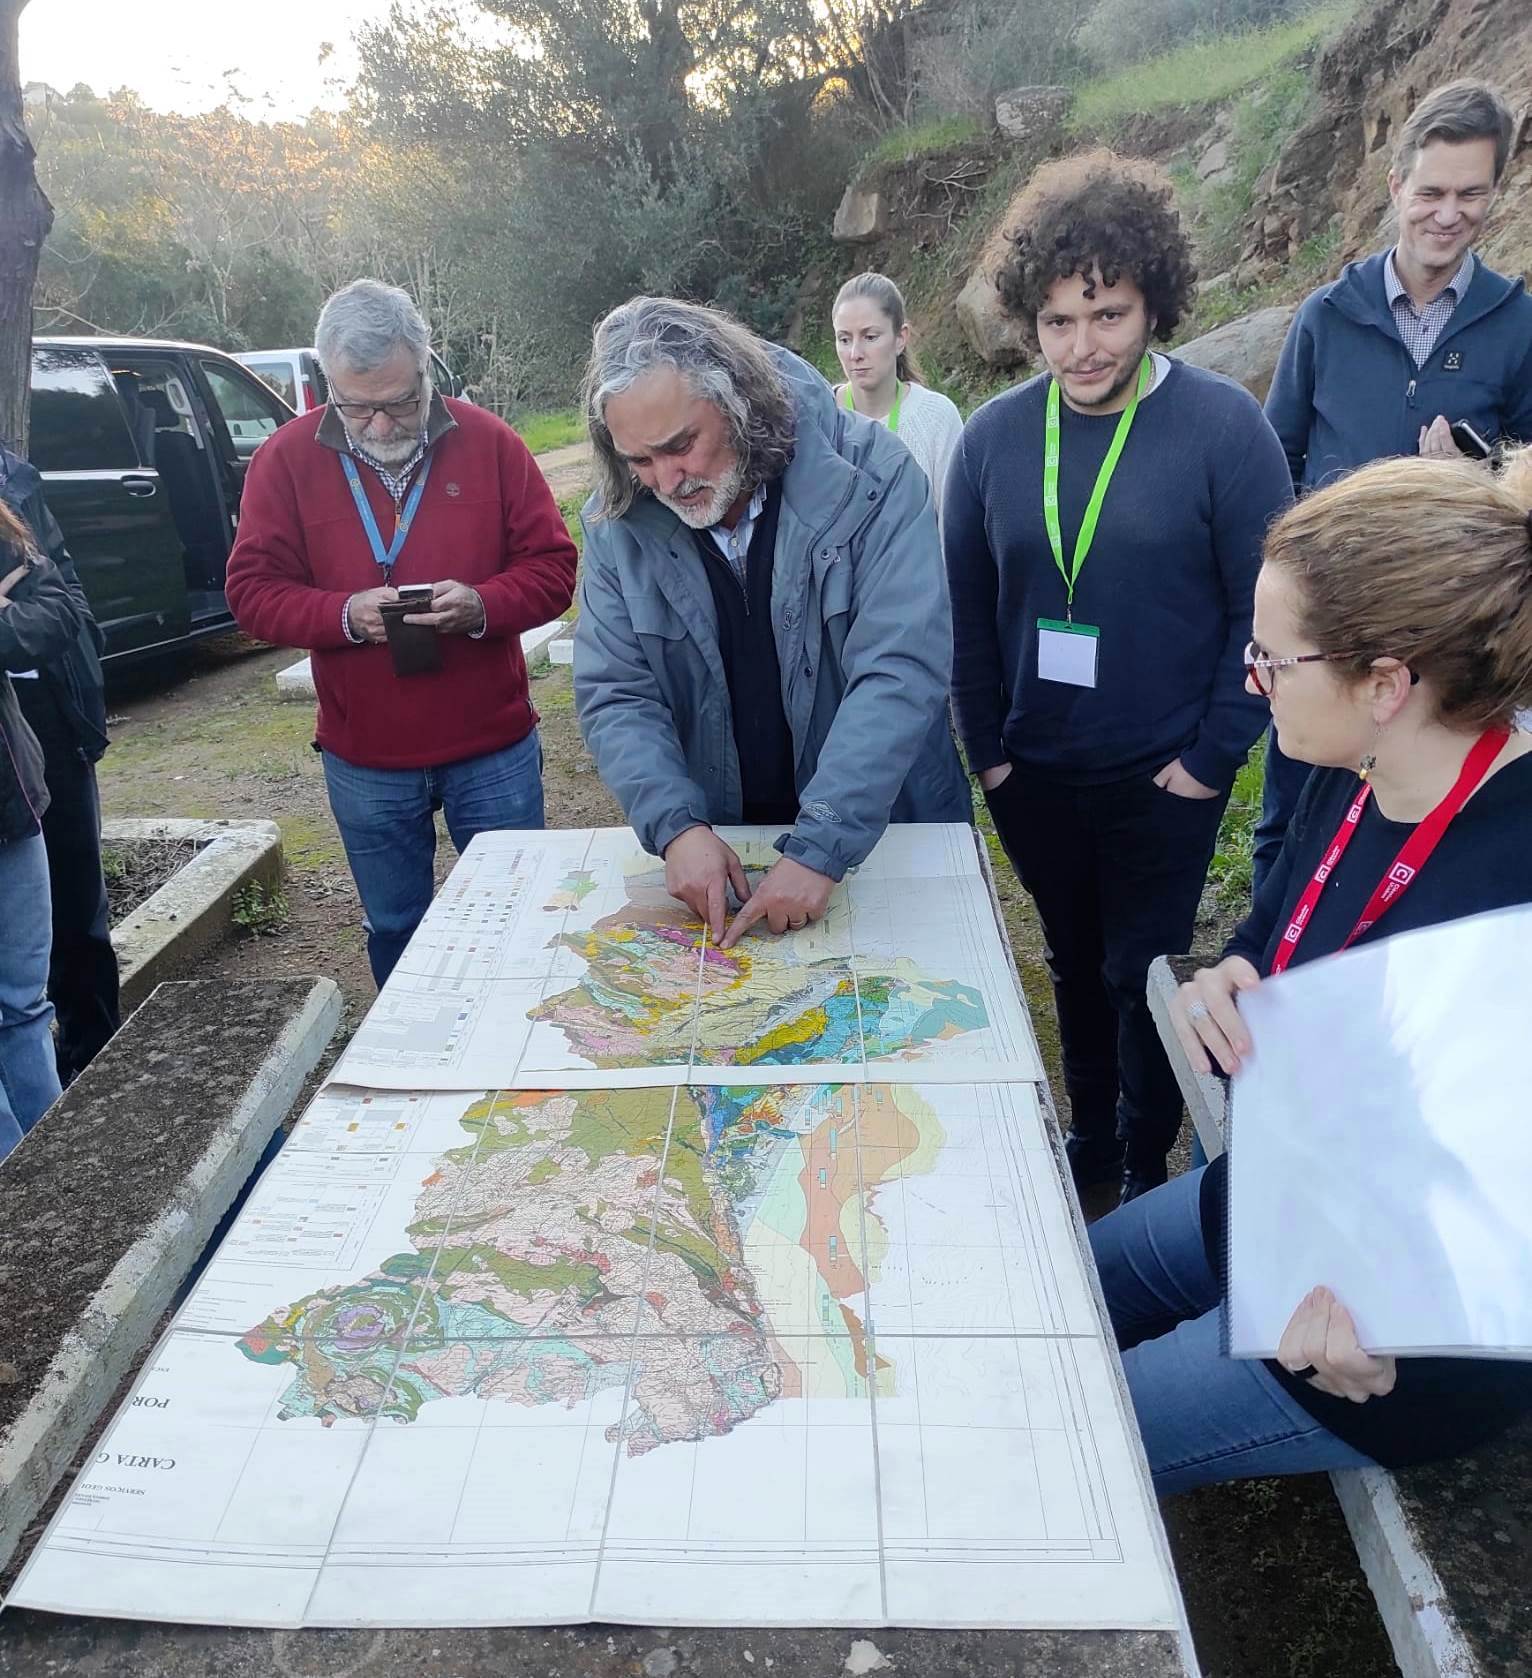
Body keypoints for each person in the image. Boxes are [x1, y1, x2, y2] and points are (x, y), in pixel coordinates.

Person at [1090, 445, 1532, 1494]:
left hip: (1376, 1338)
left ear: (1384, 682)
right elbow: (1282, 920)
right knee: (1053, 1295)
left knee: (1068, 1452)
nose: (1252, 681)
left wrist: (1401, 1319)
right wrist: (1234, 971)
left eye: (1270, 661)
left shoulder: (1508, 883)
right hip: (1282, 1197)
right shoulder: (1357, 769)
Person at [944, 151, 1291, 1204]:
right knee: (1068, 962)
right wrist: (990, 758)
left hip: (1163, 779)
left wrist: (1208, 756)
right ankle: (1085, 1146)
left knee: (1141, 971)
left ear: (1151, 302)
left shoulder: (1223, 428)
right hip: (1035, 777)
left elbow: (1264, 611)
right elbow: (964, 613)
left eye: (1106, 313)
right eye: (1057, 321)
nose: (1081, 345)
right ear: (1026, 321)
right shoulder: (992, 440)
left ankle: (1146, 1164)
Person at [574, 294, 971, 949]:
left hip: (880, 826)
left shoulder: (873, 477)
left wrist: (822, 844)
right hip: (724, 837)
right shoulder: (619, 524)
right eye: (640, 460)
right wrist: (675, 827)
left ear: (739, 406)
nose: (667, 481)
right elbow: (617, 689)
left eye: (682, 446)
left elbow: (899, 669)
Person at [226, 279, 579, 987]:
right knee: (396, 926)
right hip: (367, 756)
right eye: (357, 407)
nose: (381, 426)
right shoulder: (285, 461)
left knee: (520, 913)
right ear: (328, 381)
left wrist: (480, 604)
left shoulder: (491, 444)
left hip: (493, 745)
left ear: (427, 366)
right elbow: (251, 593)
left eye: (399, 402)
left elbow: (554, 568)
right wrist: (341, 617)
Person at [1256, 79, 1532, 888]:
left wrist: (1470, 488)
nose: (1449, 214)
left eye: (1471, 194)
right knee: (1291, 816)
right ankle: (1275, 954)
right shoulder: (1325, 317)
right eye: (1432, 192)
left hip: (1448, 652)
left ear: (1497, 192)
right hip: (1326, 637)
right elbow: (1280, 461)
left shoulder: (1519, 324)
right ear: (1396, 188)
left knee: (1422, 835)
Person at [2, 445, 118, 1082]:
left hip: (45, 713)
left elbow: (64, 603)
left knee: (77, 908)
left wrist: (13, 628)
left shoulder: (12, 476)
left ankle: (95, 1072)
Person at [0, 499, 86, 1159]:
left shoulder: (7, 526)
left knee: (26, 1006)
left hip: (10, 799)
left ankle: (53, 1170)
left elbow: (56, 614)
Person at [832, 272, 964, 526]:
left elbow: (955, 530)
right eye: (844, 339)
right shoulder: (819, 418)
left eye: (870, 337)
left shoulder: (936, 418)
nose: (855, 353)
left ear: (900, 338)